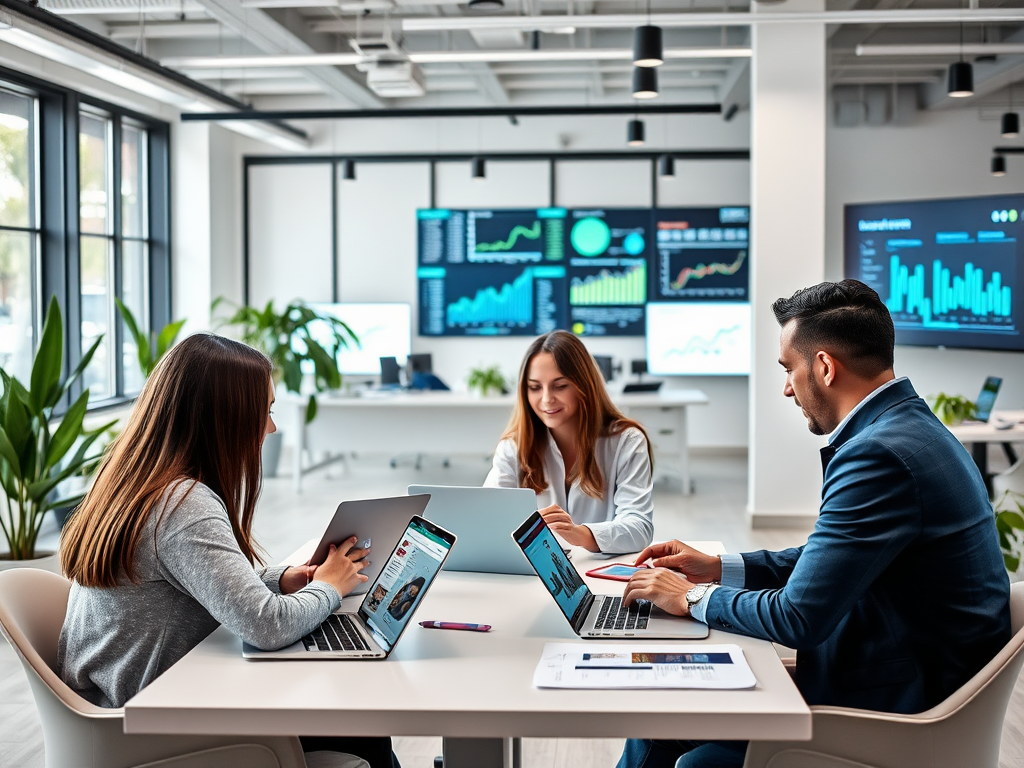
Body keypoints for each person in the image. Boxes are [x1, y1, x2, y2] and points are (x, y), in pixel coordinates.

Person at [617, 280, 1011, 768]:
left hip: (894, 712)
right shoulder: (911, 428)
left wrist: (688, 596)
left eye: (789, 370)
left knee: (686, 745)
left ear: (823, 367)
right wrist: (718, 567)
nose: (786, 387)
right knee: (662, 717)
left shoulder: (877, 454)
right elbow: (829, 558)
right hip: (898, 676)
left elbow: (798, 617)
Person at [58, 333, 400, 768]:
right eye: (266, 412)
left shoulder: (137, 479)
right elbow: (267, 626)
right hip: (153, 724)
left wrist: (285, 579)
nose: (271, 428)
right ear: (225, 419)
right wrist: (330, 587)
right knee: (360, 719)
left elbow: (194, 583)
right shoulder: (183, 505)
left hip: (123, 707)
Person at [484, 330, 654, 554]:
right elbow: (487, 522)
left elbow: (639, 527)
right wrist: (528, 531)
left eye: (560, 386)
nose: (546, 399)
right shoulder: (514, 446)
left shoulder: (627, 441)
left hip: (598, 571)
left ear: (583, 386)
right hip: (533, 572)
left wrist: (580, 534)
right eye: (535, 387)